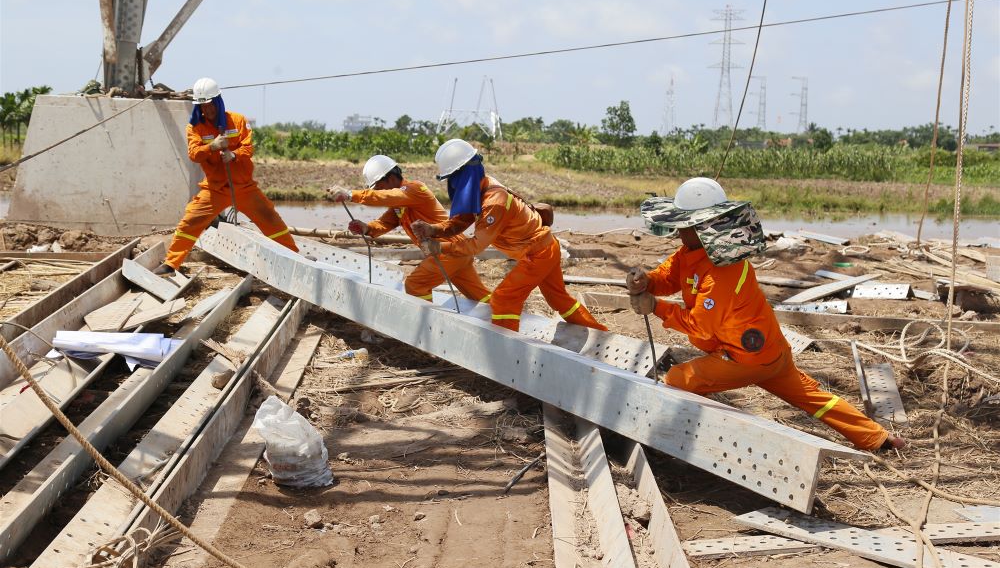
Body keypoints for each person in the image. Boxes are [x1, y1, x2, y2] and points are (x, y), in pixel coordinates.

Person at [627, 177, 906, 453]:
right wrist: (647, 282)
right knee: (815, 398)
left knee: (678, 379)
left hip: (742, 358)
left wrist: (656, 307)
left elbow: (700, 327)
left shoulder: (722, 272)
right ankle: (878, 439)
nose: (678, 233)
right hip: (770, 352)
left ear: (702, 228)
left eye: (683, 226)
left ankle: (706, 443)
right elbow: (669, 275)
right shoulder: (693, 252)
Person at [411, 139, 606, 334]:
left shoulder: (494, 202)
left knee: (504, 299)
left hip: (538, 253)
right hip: (544, 247)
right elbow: (461, 221)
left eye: (452, 178)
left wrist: (440, 248)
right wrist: (433, 230)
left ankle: (504, 352)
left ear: (462, 175)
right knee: (559, 299)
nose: (451, 184)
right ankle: (600, 333)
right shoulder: (482, 186)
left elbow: (476, 246)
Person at [154, 77, 298, 275]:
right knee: (190, 222)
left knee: (271, 219)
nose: (207, 110)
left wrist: (233, 154)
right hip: (215, 189)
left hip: (244, 187)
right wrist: (211, 146)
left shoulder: (237, 121)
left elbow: (248, 147)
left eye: (210, 105)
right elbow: (194, 154)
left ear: (218, 102)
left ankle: (294, 257)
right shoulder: (195, 127)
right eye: (202, 106)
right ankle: (171, 264)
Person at [325, 154, 492, 304]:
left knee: (414, 285)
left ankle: (428, 330)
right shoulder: (400, 204)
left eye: (378, 186)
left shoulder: (414, 189)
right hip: (456, 253)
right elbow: (385, 223)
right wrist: (367, 228)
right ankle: (506, 322)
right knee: (481, 298)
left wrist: (350, 194)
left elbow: (386, 197)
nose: (377, 191)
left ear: (390, 178)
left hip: (446, 251)